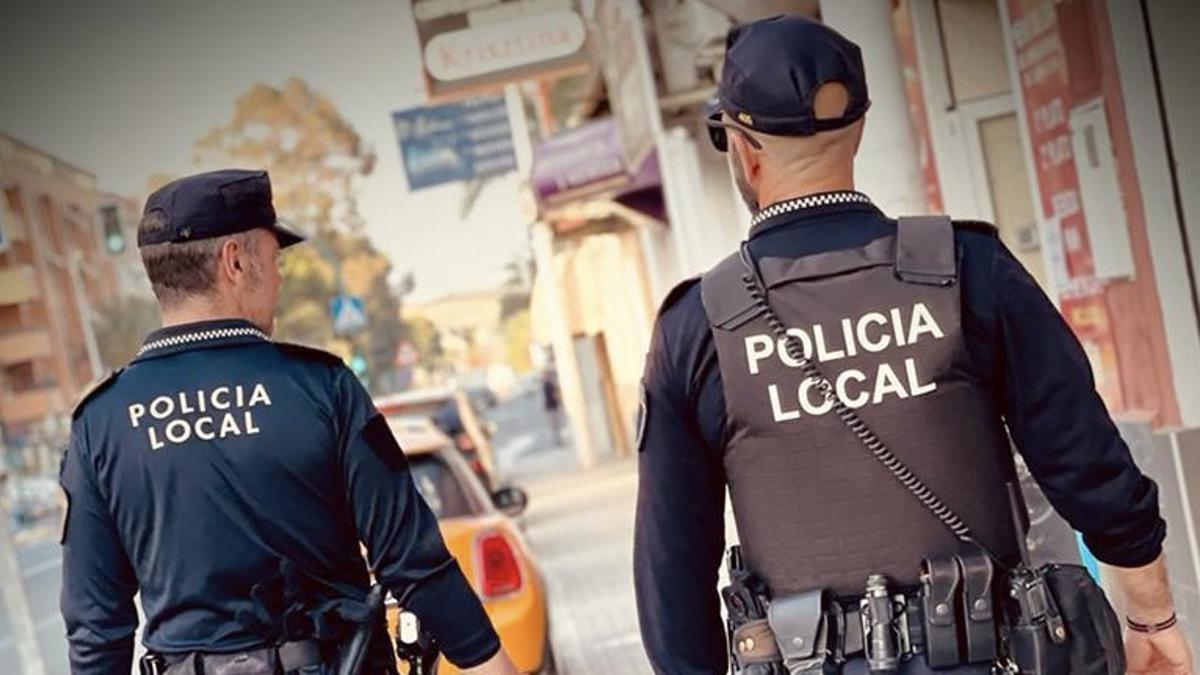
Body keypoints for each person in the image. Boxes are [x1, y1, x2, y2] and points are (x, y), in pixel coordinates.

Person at [633, 15, 1192, 675]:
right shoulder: (968, 268)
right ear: (858, 129)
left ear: (742, 148)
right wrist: (1151, 619)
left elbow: (672, 573)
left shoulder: (698, 327)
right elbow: (1088, 463)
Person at [60, 169, 519, 675]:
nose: (279, 279)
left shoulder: (99, 423)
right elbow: (413, 561)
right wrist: (489, 663)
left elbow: (96, 628)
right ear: (235, 262)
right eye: (274, 259)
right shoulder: (322, 387)